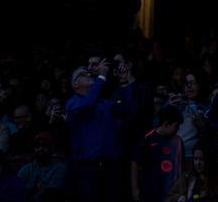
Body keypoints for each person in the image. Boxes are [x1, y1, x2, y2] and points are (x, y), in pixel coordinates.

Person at [65, 59, 121, 202]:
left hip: (110, 165)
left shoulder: (102, 102)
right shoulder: (72, 102)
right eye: (83, 74)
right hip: (88, 168)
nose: (88, 73)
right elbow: (87, 104)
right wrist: (101, 77)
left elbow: (126, 109)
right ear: (75, 84)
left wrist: (124, 80)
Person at [131, 105, 183, 202]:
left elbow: (180, 167)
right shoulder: (147, 138)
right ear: (166, 124)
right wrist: (135, 189)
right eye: (176, 126)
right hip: (149, 190)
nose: (178, 129)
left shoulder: (178, 141)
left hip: (169, 192)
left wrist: (178, 187)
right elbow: (135, 163)